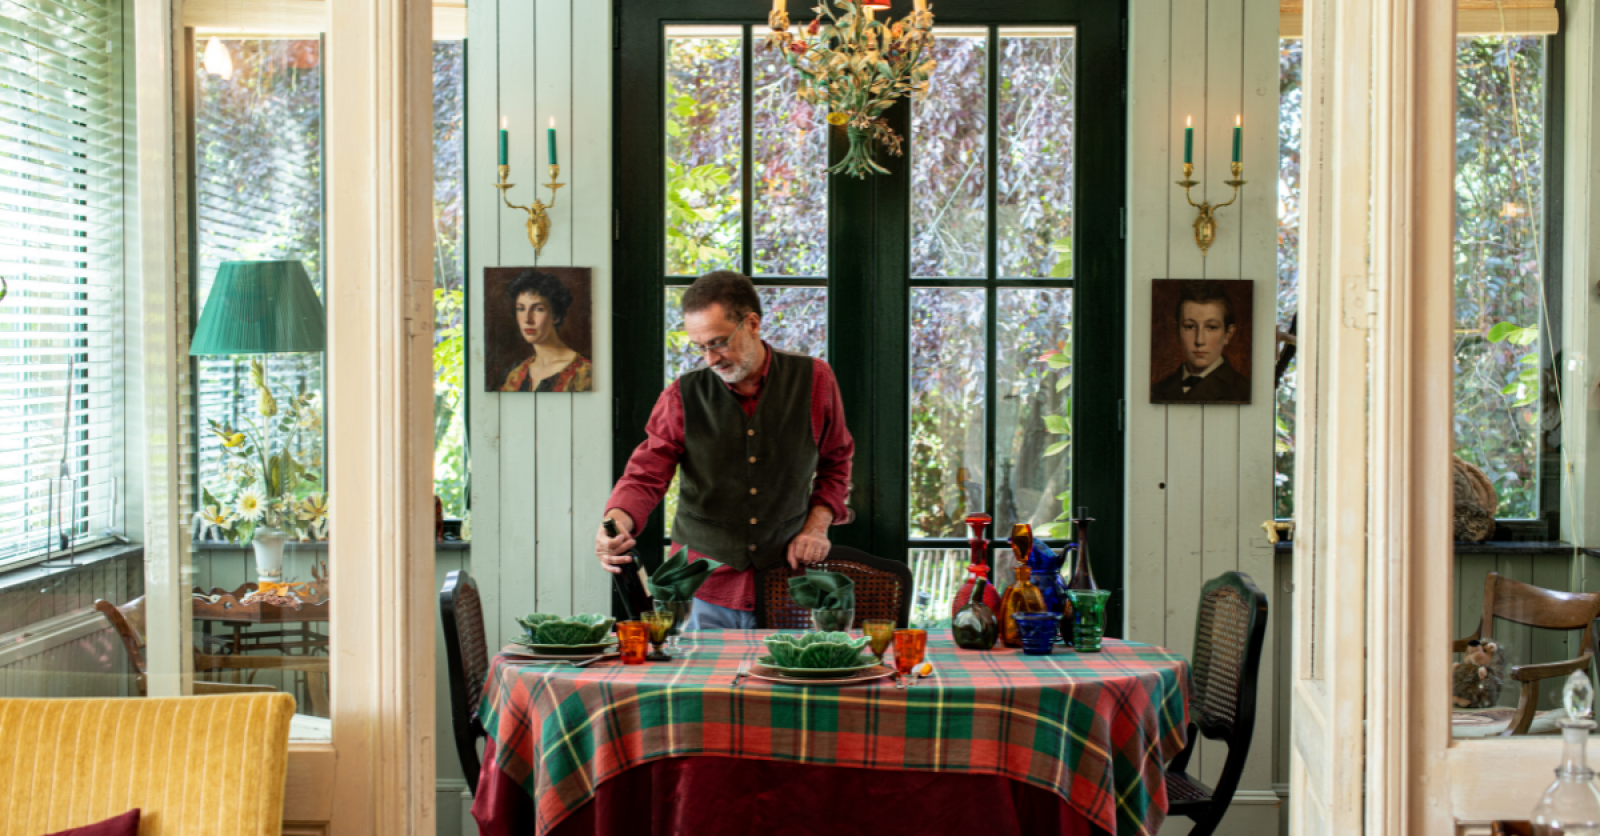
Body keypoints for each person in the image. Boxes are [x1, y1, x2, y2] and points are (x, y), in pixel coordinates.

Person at [595, 271, 854, 630]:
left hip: (786, 581)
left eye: (718, 343)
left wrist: (816, 526)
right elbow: (646, 473)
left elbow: (836, 463)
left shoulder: (815, 381)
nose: (711, 359)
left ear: (752, 324)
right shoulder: (680, 397)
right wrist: (617, 521)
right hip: (700, 588)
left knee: (784, 685)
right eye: (699, 347)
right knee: (700, 687)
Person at [1150, 279, 1251, 403]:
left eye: (1212, 327)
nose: (1199, 340)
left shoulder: (1244, 391)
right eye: (1189, 327)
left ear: (1228, 334)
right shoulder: (1157, 390)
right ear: (1177, 332)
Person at [498, 269, 593, 392]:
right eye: (521, 309)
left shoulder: (582, 373)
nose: (527, 319)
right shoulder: (516, 376)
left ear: (555, 316)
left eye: (538, 309)